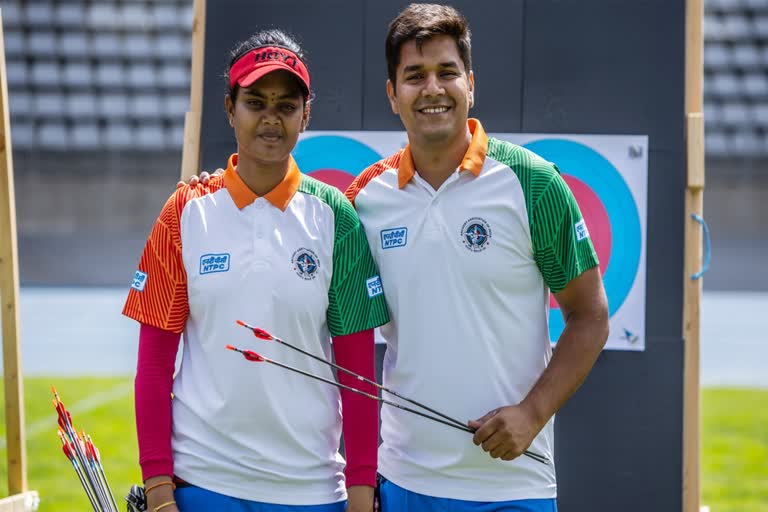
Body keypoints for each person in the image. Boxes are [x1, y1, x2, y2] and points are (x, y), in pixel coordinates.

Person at [344, 4, 609, 511]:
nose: (432, 89)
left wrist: (533, 413)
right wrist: (214, 189)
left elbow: (590, 314)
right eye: (414, 76)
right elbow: (293, 229)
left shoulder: (532, 182)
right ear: (391, 94)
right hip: (403, 481)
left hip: (513, 487)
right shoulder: (364, 198)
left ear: (471, 82)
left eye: (447, 72)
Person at [123, 29, 388, 512]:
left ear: (306, 114)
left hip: (309, 489)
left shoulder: (335, 216)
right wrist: (160, 492)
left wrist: (362, 489)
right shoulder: (185, 210)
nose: (271, 119)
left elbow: (358, 374)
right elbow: (154, 367)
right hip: (202, 482)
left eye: (286, 105)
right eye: (256, 102)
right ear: (230, 108)